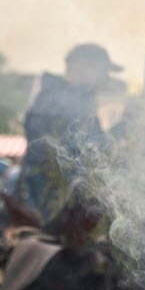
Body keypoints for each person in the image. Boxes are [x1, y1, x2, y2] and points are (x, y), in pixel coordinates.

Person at [14, 43, 114, 240]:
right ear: (82, 66)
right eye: (103, 69)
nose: (106, 77)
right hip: (54, 191)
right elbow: (46, 146)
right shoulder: (56, 98)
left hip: (70, 189)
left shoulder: (79, 98)